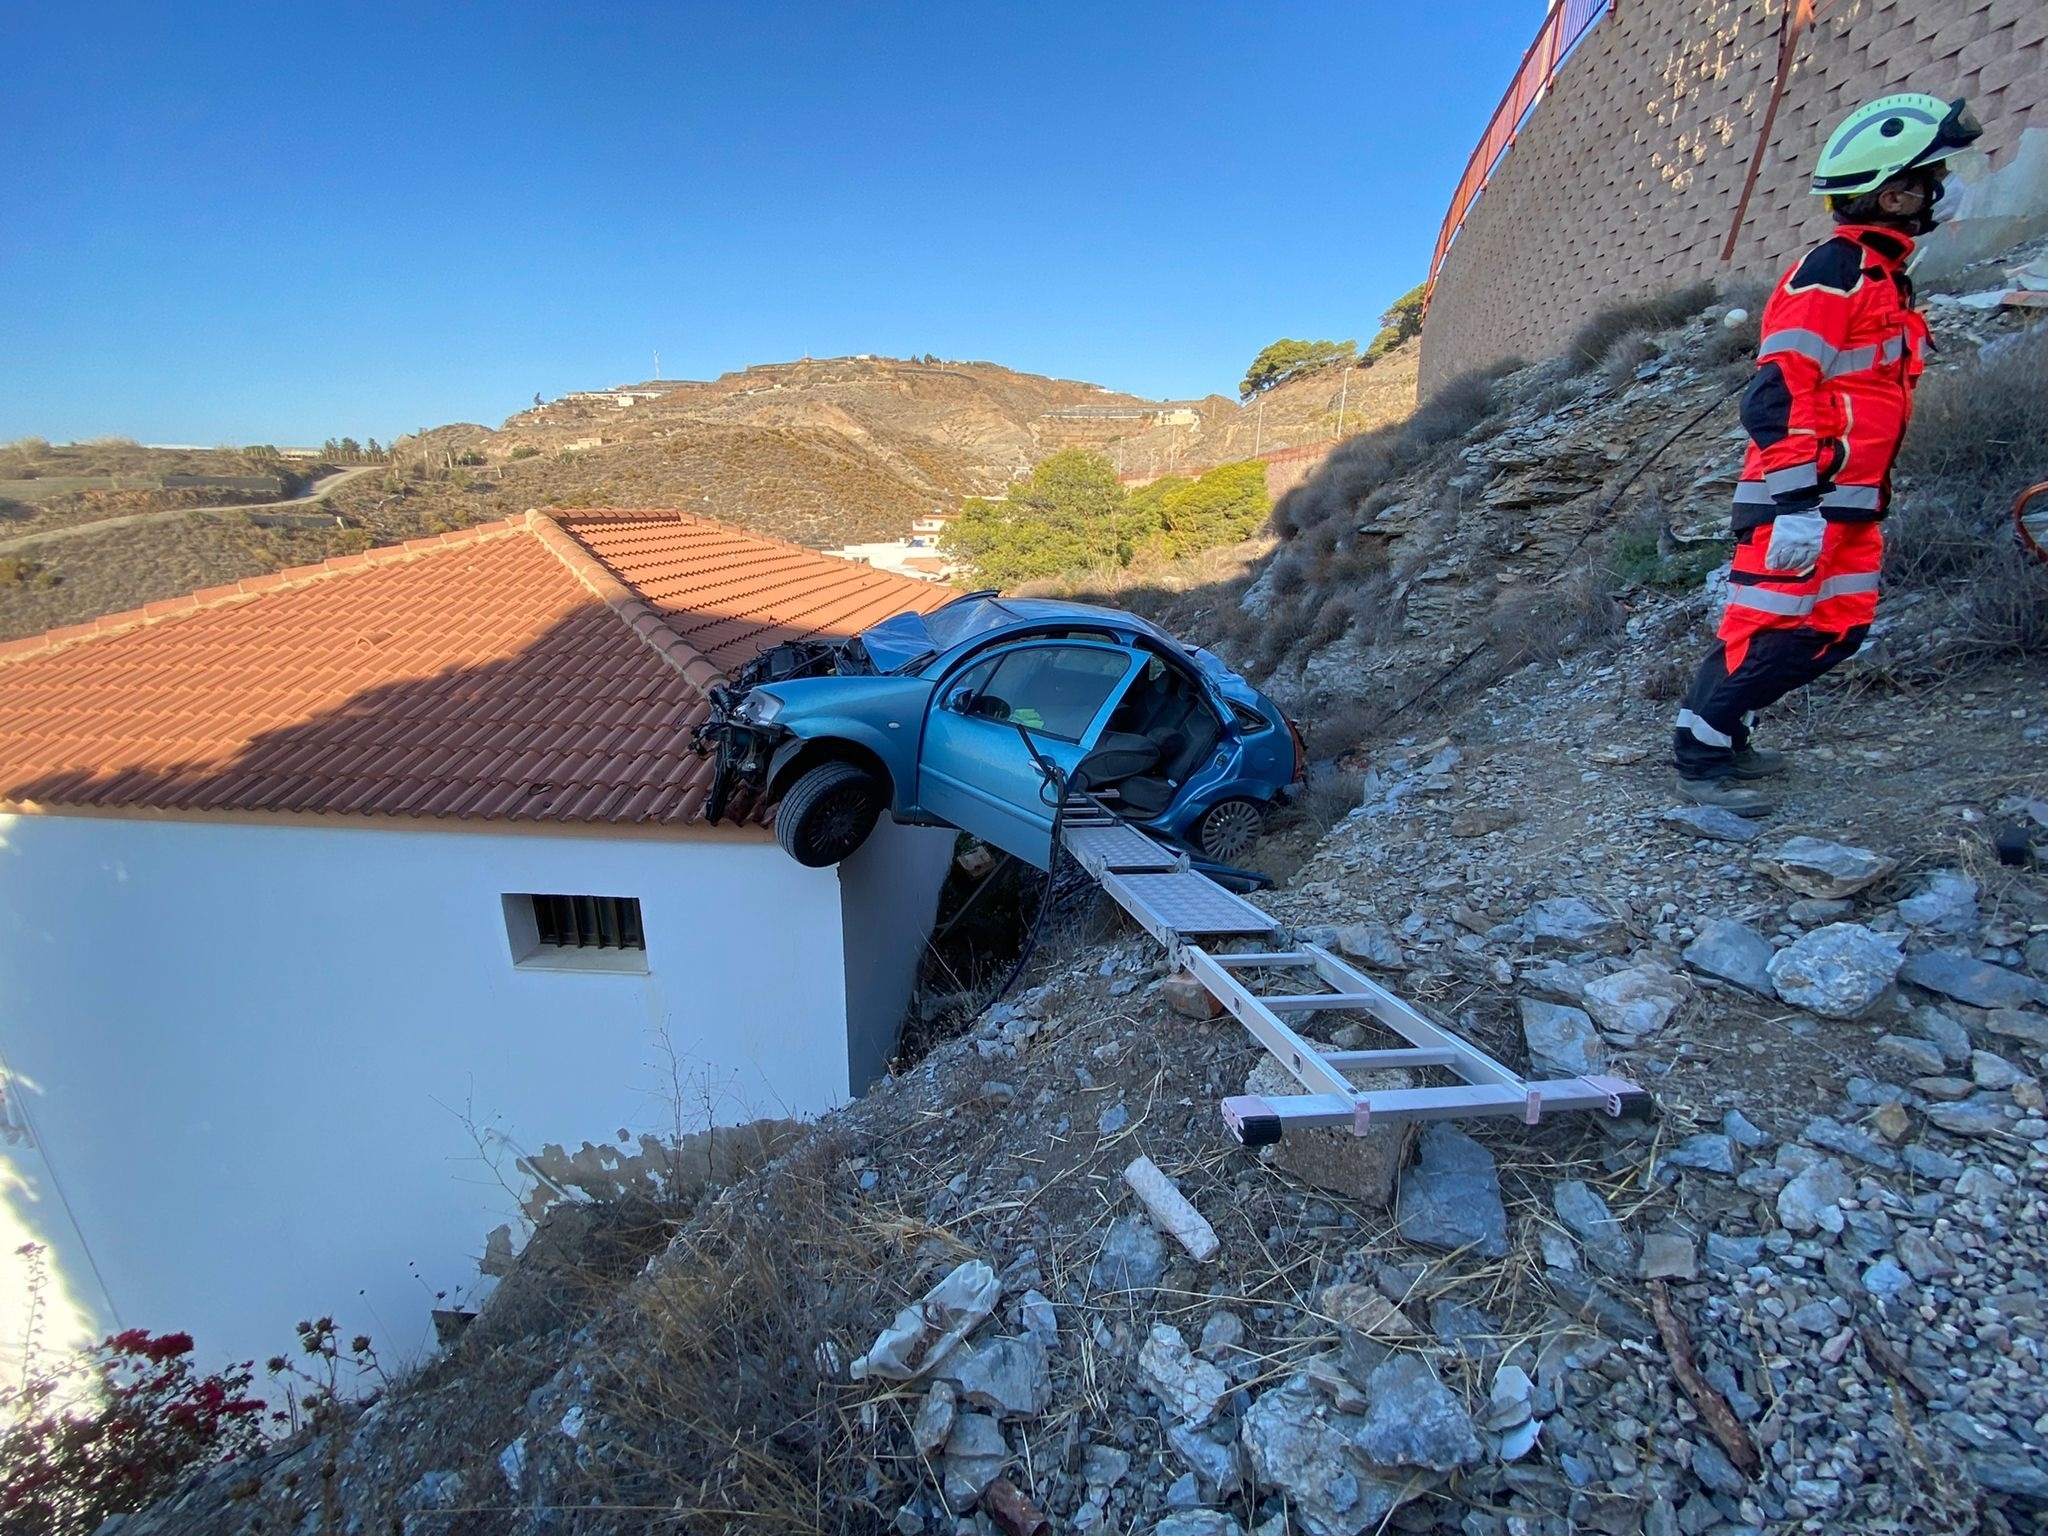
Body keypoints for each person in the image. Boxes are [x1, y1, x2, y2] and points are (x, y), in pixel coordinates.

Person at [1673, 95, 1983, 814]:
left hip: (1848, 501)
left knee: (1836, 631)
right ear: (1891, 189)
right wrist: (1796, 504)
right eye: (1929, 178)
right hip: (1801, 499)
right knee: (1765, 633)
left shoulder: (1882, 278)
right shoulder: (1833, 270)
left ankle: (1721, 738)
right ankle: (1700, 761)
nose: (1941, 191)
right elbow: (1775, 397)